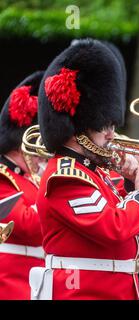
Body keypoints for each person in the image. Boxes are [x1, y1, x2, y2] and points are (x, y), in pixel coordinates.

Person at [31, 39, 139, 300]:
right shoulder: (66, 176)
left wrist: (129, 184)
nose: (112, 133)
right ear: (80, 126)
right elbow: (113, 228)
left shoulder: (92, 171)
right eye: (104, 125)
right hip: (84, 291)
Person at [0, 71, 46, 299]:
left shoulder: (29, 179)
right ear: (20, 145)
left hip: (34, 279)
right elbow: (27, 226)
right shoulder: (3, 177)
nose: (41, 155)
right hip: (11, 281)